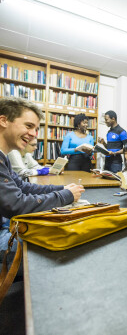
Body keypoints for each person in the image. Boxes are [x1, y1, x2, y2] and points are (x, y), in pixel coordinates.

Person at [0, 97, 84, 261]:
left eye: (36, 129)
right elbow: (16, 204)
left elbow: (24, 187)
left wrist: (63, 189)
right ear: (3, 120)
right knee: (63, 238)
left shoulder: (4, 158)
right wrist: (65, 196)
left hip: (4, 225)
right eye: (28, 126)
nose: (33, 134)